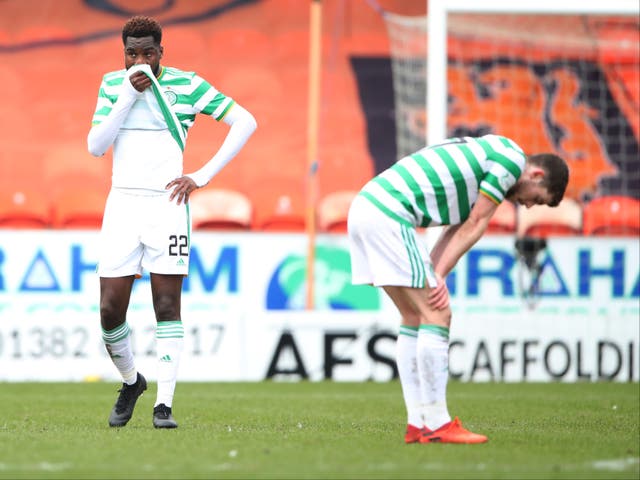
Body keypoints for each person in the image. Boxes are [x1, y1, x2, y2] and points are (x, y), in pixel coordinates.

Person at [87, 15, 257, 429]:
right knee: (110, 310)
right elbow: (96, 147)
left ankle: (164, 405)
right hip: (123, 205)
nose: (139, 61)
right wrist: (126, 95)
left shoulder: (187, 84)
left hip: (167, 206)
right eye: (132, 53)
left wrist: (201, 176)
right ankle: (131, 382)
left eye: (148, 52)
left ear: (162, 52)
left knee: (166, 304)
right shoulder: (113, 85)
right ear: (123, 53)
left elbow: (245, 121)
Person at [347, 135, 568, 444]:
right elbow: (477, 222)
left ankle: (418, 424)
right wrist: (438, 274)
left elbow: (459, 225)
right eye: (537, 198)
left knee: (413, 316)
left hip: (366, 207)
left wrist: (436, 272)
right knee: (438, 314)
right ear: (537, 175)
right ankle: (438, 424)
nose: (528, 205)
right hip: (388, 214)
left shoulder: (490, 158)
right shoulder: (511, 160)